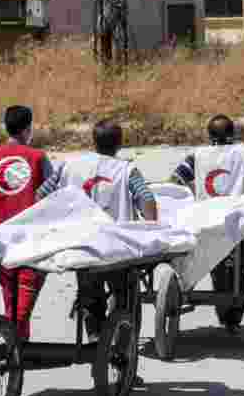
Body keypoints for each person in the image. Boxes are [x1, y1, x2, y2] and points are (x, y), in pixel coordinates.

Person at [37, 119, 158, 346]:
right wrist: (151, 228)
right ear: (119, 144)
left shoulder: (67, 166)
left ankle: (94, 340)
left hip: (80, 244)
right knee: (125, 295)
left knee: (89, 294)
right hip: (116, 247)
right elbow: (147, 199)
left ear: (94, 141)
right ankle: (124, 350)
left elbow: (41, 195)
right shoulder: (127, 170)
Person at [170, 115, 244, 326]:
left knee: (212, 264)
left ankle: (224, 313)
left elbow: (175, 180)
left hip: (204, 221)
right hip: (233, 221)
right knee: (237, 267)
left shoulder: (197, 155)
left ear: (210, 136)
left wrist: (186, 198)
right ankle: (232, 316)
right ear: (232, 134)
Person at [0, 105, 55, 341]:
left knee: (9, 294)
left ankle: (15, 344)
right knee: (25, 295)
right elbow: (55, 196)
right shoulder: (38, 157)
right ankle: (15, 343)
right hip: (30, 239)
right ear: (28, 129)